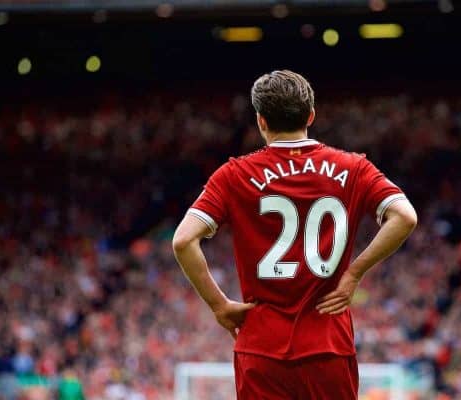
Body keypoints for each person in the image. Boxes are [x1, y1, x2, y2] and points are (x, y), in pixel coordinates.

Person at [172, 70, 417, 399]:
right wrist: (355, 272)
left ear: (261, 121)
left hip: (261, 347)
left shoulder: (234, 175)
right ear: (311, 115)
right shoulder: (354, 168)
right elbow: (404, 216)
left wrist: (219, 306)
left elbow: (183, 241)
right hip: (329, 345)